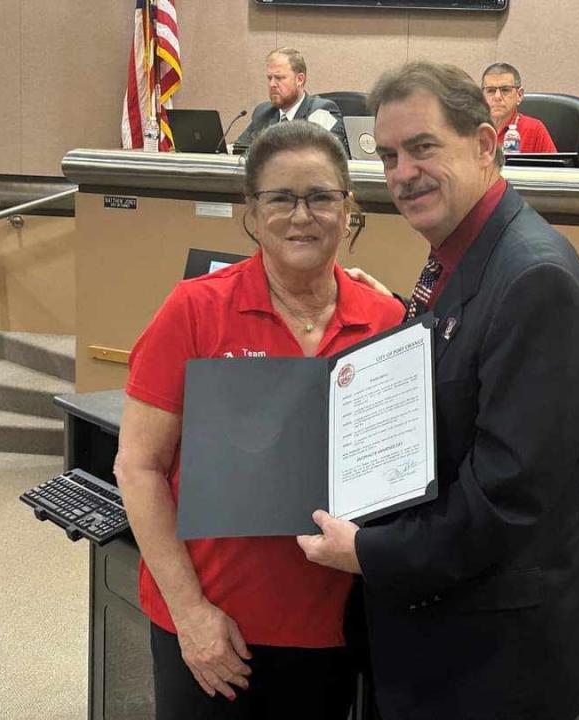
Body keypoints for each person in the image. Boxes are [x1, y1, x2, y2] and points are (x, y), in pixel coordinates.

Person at [298, 61, 579, 720]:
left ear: (485, 146)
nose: (402, 172)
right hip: (448, 642)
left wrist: (369, 552)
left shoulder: (534, 280)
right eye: (388, 156)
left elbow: (507, 503)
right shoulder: (463, 253)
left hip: (499, 665)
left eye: (422, 148)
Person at [114, 120, 405, 719]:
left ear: (349, 209)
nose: (303, 216)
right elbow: (138, 466)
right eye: (281, 198)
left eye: (322, 196)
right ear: (252, 212)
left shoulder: (386, 320)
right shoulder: (194, 309)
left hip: (335, 628)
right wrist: (192, 614)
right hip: (214, 623)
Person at [233, 47, 349, 155]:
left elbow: (328, 157)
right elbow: (239, 150)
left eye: (279, 78)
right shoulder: (263, 112)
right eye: (269, 78)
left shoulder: (322, 111)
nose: (272, 84)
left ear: (299, 79)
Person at [481, 62, 557, 153]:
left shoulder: (534, 129)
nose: (497, 97)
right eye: (490, 90)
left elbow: (554, 166)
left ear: (519, 95)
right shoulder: (472, 129)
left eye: (505, 90)